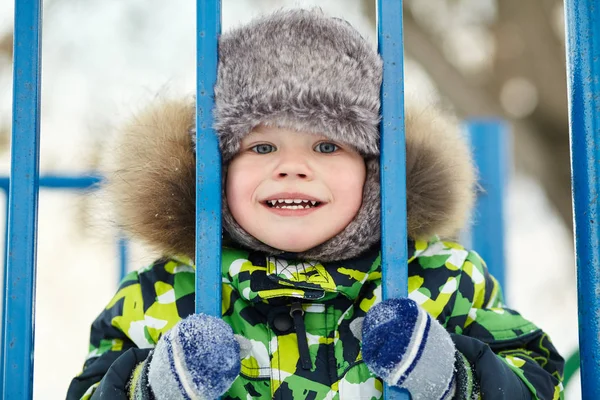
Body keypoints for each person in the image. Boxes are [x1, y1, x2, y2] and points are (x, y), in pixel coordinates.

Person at [67, 9, 564, 400]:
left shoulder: (441, 278)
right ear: (216, 169)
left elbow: (538, 379)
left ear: (375, 167)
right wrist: (154, 386)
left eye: (328, 146)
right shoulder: (167, 290)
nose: (292, 167)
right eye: (261, 147)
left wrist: (453, 376)